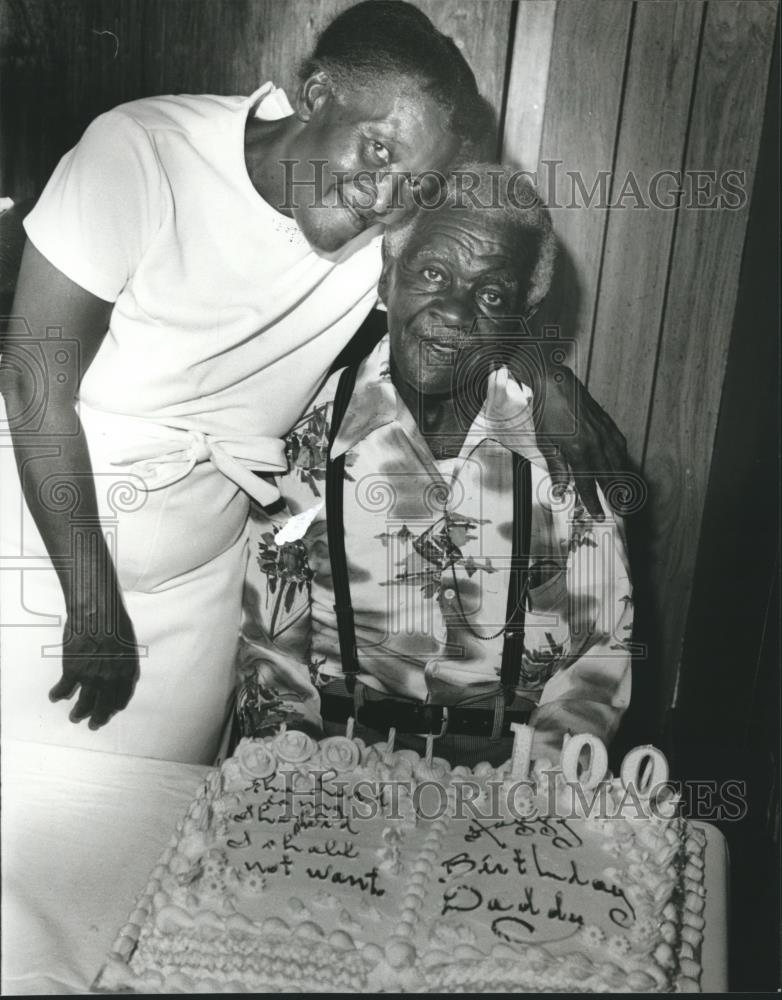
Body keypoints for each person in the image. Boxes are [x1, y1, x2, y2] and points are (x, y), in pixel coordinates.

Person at [0, 2, 624, 764]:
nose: (384, 195)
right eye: (378, 149)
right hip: (42, 556)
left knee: (152, 855)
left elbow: (469, 287)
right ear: (317, 94)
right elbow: (33, 385)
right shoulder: (141, 152)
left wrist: (539, 375)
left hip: (197, 588)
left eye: (414, 183)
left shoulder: (381, 241)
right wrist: (91, 603)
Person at [238, 165, 633, 767]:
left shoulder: (565, 453)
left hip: (510, 772)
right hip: (332, 760)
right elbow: (271, 646)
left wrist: (540, 792)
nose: (453, 310)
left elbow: (599, 656)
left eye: (491, 293)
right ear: (385, 282)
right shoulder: (305, 437)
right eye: (431, 273)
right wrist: (290, 773)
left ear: (519, 318)